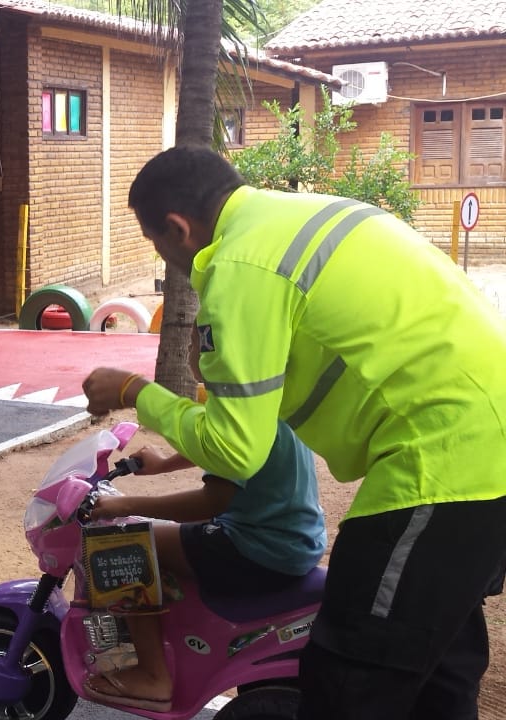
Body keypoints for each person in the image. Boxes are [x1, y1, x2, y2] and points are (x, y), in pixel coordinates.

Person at [82, 145, 506, 719]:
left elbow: (235, 449)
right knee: (439, 668)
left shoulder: (238, 264)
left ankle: (151, 671)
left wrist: (134, 391)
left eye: (156, 243)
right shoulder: (306, 215)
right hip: (484, 448)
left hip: (443, 463)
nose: (164, 257)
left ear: (178, 228)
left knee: (351, 676)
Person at [85, 422, 326, 711]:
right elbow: (223, 446)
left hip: (259, 544)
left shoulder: (236, 404)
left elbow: (210, 502)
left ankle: (152, 676)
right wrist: (164, 464)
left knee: (122, 544)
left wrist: (125, 506)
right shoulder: (265, 403)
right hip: (293, 538)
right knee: (168, 534)